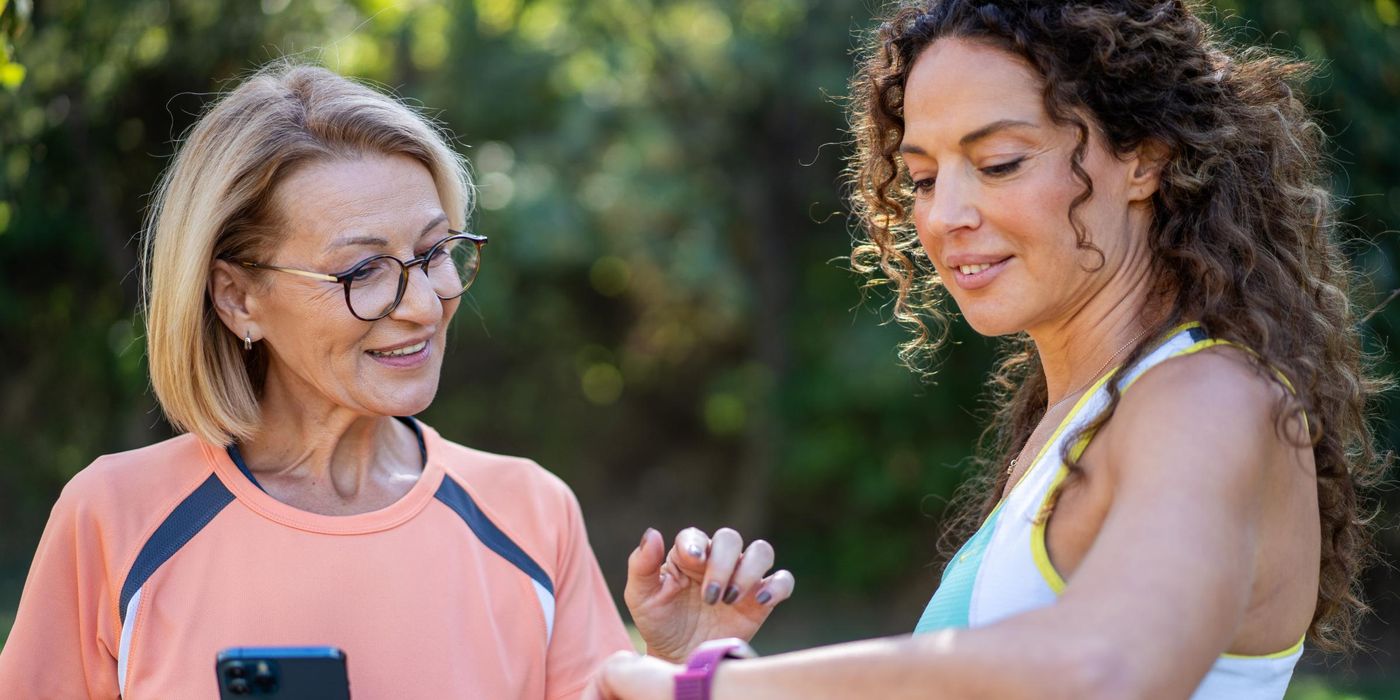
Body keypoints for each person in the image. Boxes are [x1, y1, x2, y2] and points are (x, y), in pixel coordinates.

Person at [597, 1, 1385, 698]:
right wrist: (700, 658)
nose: (946, 216)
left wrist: (721, 688)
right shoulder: (1078, 419)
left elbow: (1108, 672)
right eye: (923, 177)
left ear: (1144, 157)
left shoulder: (1205, 397)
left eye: (999, 163)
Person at [0, 62, 793, 699]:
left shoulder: (530, 514)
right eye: (365, 270)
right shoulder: (115, 518)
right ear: (239, 297)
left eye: (434, 252)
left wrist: (687, 668)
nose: (423, 304)